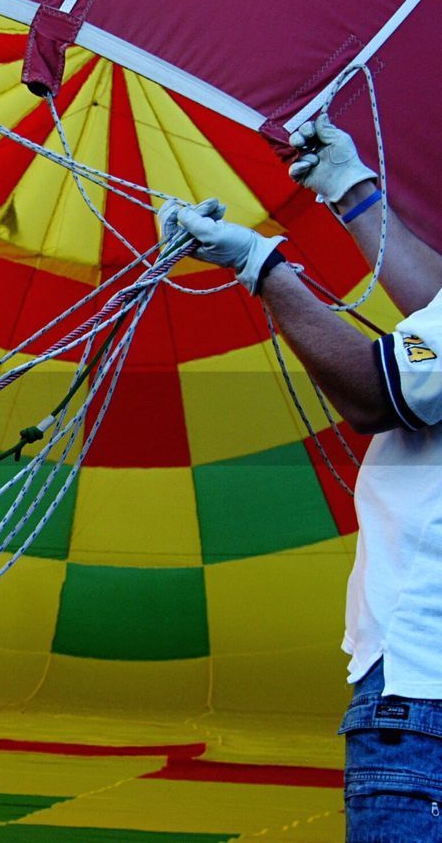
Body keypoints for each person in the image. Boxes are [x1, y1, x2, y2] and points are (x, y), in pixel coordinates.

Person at [162, 115, 442, 841]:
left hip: (423, 698)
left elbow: (371, 394)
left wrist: (261, 267)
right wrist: (350, 190)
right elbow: (438, 306)